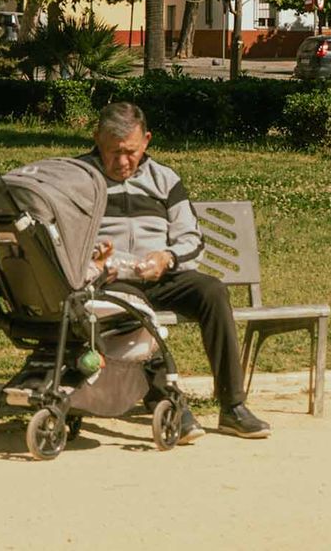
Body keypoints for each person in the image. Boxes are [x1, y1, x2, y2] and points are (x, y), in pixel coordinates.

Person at [79, 102, 270, 442]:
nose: (122, 162)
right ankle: (170, 406)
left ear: (147, 141)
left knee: (212, 291)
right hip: (111, 280)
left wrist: (167, 258)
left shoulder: (164, 179)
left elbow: (192, 240)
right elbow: (61, 235)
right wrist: (94, 257)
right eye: (113, 152)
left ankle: (233, 405)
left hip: (160, 274)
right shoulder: (80, 179)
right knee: (134, 310)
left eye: (131, 152)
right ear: (96, 139)